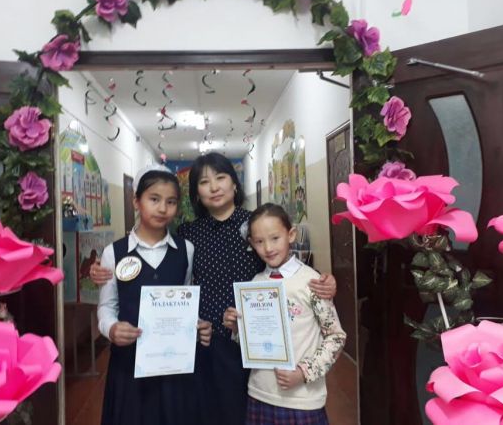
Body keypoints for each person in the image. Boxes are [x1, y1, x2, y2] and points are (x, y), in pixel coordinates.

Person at [91, 153, 336, 424]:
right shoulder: (188, 235)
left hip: (250, 339)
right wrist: (101, 270)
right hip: (201, 342)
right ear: (196, 192)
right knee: (201, 413)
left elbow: (281, 260)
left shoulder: (253, 224)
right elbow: (176, 281)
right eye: (204, 182)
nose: (214, 187)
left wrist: (322, 280)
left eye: (221, 178)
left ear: (234, 184)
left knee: (242, 412)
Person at [96, 164, 211, 425]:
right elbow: (106, 306)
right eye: (154, 199)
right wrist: (111, 329)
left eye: (171, 202)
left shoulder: (186, 250)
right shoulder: (114, 252)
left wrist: (196, 324)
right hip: (129, 364)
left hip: (174, 364)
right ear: (136, 201)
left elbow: (184, 301)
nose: (162, 208)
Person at [223, 203, 346, 425]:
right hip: (260, 392)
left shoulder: (312, 282)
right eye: (259, 241)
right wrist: (236, 328)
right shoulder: (255, 284)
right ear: (251, 243)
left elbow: (336, 337)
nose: (268, 248)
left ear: (291, 235)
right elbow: (254, 342)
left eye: (275, 238)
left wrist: (304, 372)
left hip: (302, 399)